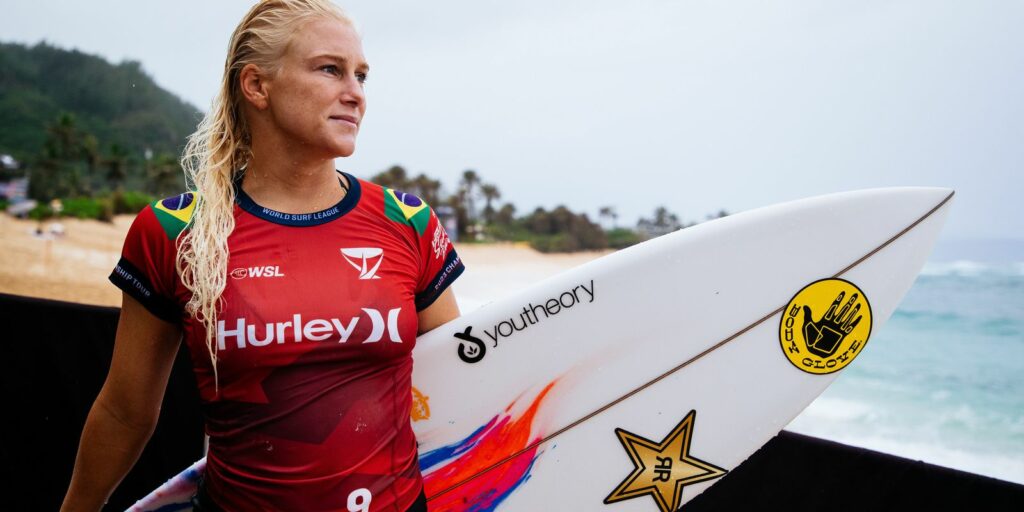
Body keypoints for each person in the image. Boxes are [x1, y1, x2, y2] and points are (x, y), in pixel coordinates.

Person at [60, 1, 463, 510]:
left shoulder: (406, 221)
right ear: (257, 86)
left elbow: (458, 385)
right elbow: (126, 411)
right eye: (329, 69)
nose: (355, 94)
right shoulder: (176, 232)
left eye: (361, 75)